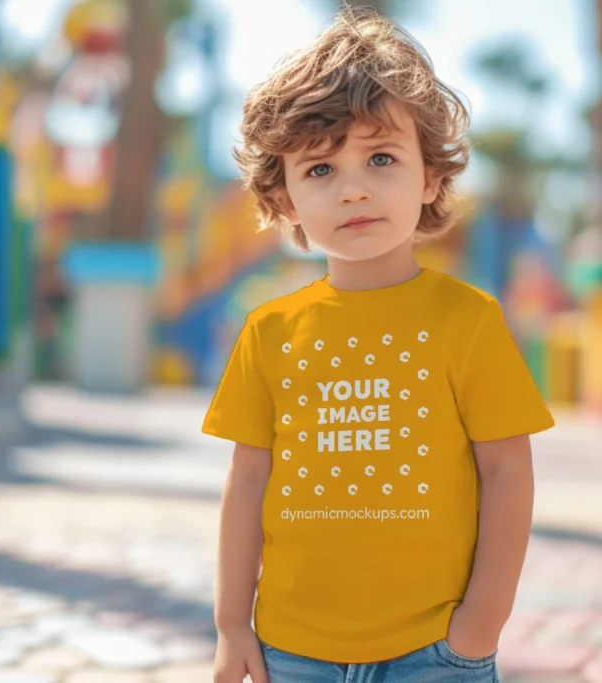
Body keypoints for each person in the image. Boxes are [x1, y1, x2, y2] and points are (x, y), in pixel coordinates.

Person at [203, 6, 555, 682]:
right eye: (319, 171)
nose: (354, 187)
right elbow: (247, 483)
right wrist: (229, 623)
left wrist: (482, 622)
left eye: (381, 156)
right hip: (290, 648)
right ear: (283, 202)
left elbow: (508, 472)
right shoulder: (268, 331)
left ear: (430, 177)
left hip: (437, 648)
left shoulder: (469, 318)